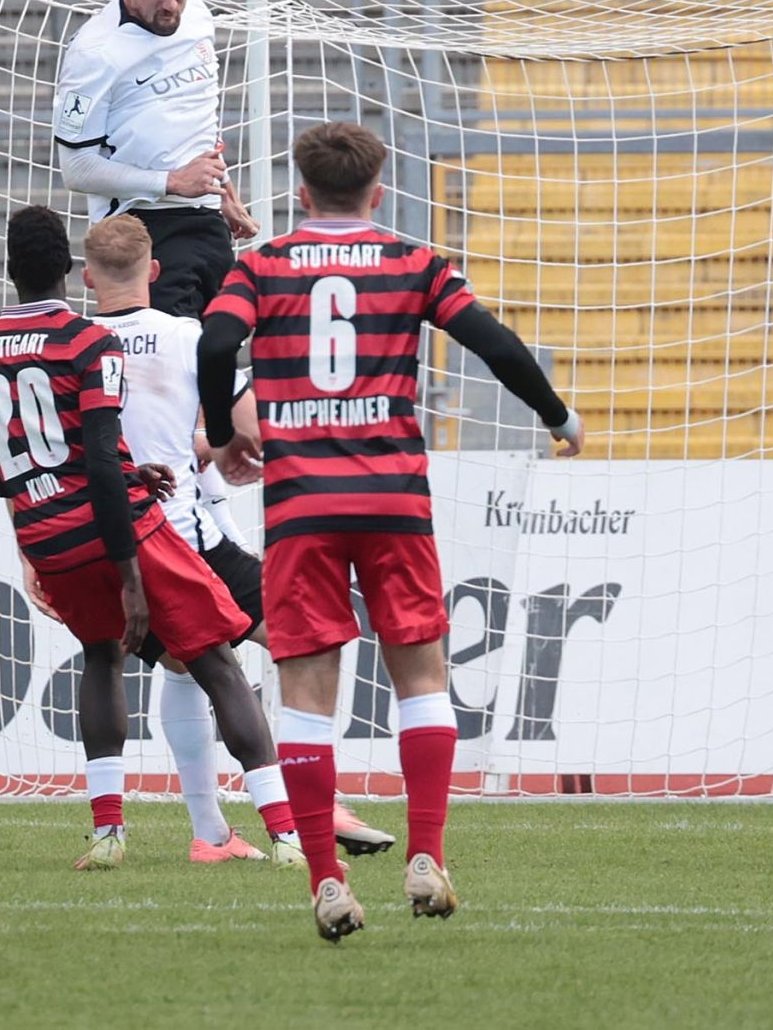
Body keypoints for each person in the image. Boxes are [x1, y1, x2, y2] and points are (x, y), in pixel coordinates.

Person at [199, 121, 584, 943]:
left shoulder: (262, 266)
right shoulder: (414, 262)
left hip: (302, 507)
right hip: (393, 502)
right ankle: (427, 855)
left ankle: (326, 879)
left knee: (307, 698)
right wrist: (557, 415)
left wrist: (224, 434)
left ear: (302, 193)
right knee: (423, 678)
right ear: (378, 193)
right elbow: (493, 342)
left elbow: (218, 340)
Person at [0, 205, 299, 871]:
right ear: (68, 271)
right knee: (217, 663)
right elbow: (96, 453)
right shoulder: (89, 341)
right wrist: (131, 576)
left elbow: (4, 471)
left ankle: (110, 832)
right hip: (126, 530)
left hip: (45, 533)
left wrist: (33, 546)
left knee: (100, 656)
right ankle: (286, 834)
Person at [78, 214, 396, 863]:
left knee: (186, 664)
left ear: (87, 278)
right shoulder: (188, 336)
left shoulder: (74, 343)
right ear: (154, 271)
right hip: (184, 538)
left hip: (110, 543)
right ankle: (315, 799)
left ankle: (211, 833)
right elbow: (249, 428)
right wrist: (225, 444)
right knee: (305, 640)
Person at [53, 0, 259, 320]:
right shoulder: (93, 53)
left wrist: (225, 192)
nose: (170, 4)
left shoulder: (197, 14)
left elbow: (197, 114)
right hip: (140, 229)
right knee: (167, 353)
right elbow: (76, 169)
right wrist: (171, 182)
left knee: (218, 350)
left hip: (207, 219)